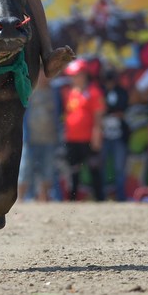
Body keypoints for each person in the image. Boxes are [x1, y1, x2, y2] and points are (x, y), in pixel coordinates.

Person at [61, 58, 105, 201]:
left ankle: (99, 199)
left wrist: (96, 136)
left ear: (84, 75)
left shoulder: (94, 92)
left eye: (75, 75)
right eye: (72, 76)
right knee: (73, 171)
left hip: (89, 139)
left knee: (94, 169)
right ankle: (73, 200)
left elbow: (98, 117)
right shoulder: (69, 92)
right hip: (72, 139)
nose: (73, 78)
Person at [18, 74, 62, 202]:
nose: (44, 77)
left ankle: (43, 199)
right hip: (29, 138)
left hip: (50, 138)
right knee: (25, 169)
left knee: (47, 170)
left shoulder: (55, 91)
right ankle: (20, 199)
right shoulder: (29, 90)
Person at [100, 67, 130, 201]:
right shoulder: (101, 92)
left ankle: (120, 196)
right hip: (104, 136)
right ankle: (102, 195)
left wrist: (110, 112)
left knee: (119, 169)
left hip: (119, 136)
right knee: (102, 167)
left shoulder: (122, 93)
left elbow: (123, 111)